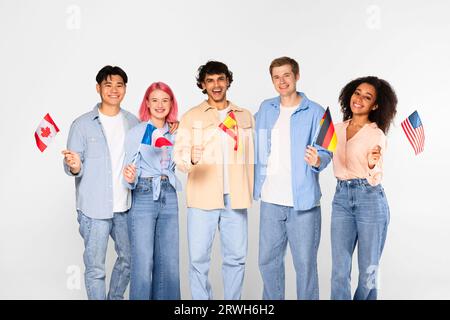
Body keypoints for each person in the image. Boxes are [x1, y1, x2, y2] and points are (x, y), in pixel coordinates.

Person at [173, 61, 255, 300]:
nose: (216, 85)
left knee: (236, 258)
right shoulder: (191, 117)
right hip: (202, 197)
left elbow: (254, 156)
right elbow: (179, 158)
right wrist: (191, 157)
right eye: (210, 80)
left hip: (236, 198)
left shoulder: (244, 116)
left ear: (228, 81)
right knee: (198, 259)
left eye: (220, 79)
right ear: (202, 84)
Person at [254, 56, 332, 300]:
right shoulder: (266, 108)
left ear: (297, 76)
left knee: (305, 265)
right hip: (270, 200)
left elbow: (327, 148)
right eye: (276, 77)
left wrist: (318, 160)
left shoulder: (318, 111)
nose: (282, 81)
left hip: (304, 202)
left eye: (286, 75)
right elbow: (246, 133)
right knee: (268, 262)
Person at [62, 65, 139, 300]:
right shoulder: (82, 124)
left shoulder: (133, 122)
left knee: (129, 259)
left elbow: (142, 159)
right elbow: (72, 165)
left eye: (119, 85)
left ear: (125, 89)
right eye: (108, 85)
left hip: (124, 207)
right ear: (98, 88)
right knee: (95, 268)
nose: (114, 90)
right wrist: (74, 165)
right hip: (94, 210)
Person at [328, 76, 397, 300]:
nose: (359, 99)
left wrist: (370, 164)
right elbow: (320, 156)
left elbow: (376, 174)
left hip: (369, 197)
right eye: (357, 93)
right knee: (339, 270)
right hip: (341, 200)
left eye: (367, 97)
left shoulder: (376, 134)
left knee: (369, 271)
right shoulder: (335, 129)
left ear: (375, 105)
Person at [122, 82, 181, 300]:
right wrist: (130, 178)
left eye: (165, 100)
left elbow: (182, 162)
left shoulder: (177, 132)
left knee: (169, 263)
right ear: (147, 103)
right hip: (144, 194)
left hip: (169, 194)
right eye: (154, 100)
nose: (159, 104)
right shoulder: (136, 133)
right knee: (143, 261)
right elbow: (128, 172)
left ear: (171, 104)